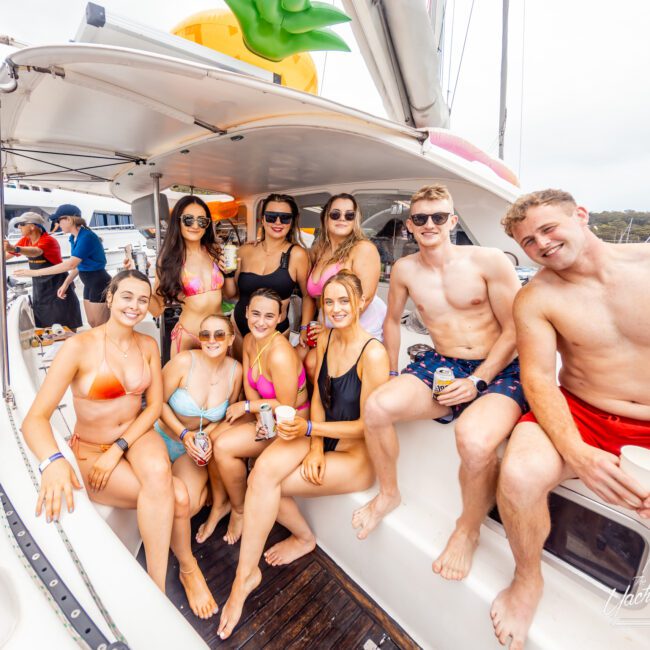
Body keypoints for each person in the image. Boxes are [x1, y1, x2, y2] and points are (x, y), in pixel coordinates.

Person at [490, 189, 650, 650]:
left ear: (580, 215)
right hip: (581, 410)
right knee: (518, 475)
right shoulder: (535, 297)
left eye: (548, 228)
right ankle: (526, 580)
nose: (540, 244)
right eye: (528, 241)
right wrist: (578, 453)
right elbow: (538, 378)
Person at [353, 184, 526, 582]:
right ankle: (390, 493)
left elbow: (516, 328)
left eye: (438, 216)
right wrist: (394, 372)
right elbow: (392, 321)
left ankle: (467, 530)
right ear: (410, 225)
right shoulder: (404, 269)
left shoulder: (490, 261)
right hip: (442, 364)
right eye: (420, 218)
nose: (429, 224)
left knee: (476, 441)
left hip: (498, 369)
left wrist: (479, 381)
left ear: (453, 219)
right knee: (377, 407)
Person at [217, 271, 389, 640]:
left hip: (354, 456)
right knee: (260, 475)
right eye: (329, 302)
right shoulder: (325, 340)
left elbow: (369, 426)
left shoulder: (373, 354)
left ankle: (267, 562)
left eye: (344, 301)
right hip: (319, 438)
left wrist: (312, 433)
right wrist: (312, 444)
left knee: (266, 483)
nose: (336, 309)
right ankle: (251, 572)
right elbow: (319, 400)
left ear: (361, 303)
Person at [21, 270, 175, 593]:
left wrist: (120, 446)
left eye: (143, 300)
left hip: (133, 437)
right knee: (180, 497)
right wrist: (53, 461)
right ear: (110, 297)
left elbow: (154, 406)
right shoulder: (79, 347)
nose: (134, 306)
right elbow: (34, 419)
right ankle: (182, 570)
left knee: (160, 473)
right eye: (127, 297)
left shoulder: (147, 344)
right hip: (92, 448)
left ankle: (157, 588)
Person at [156, 313, 242, 618]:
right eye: (205, 335)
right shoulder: (183, 363)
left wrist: (205, 441)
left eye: (220, 335)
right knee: (165, 500)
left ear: (231, 339)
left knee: (187, 507)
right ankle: (187, 567)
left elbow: (227, 417)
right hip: (164, 436)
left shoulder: (236, 371)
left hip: (192, 451)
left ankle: (205, 495)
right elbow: (157, 404)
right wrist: (184, 434)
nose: (212, 341)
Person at [211, 288, 310, 545]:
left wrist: (246, 409)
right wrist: (258, 419)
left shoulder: (280, 354)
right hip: (267, 417)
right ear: (246, 313)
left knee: (223, 446)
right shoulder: (251, 340)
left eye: (269, 316)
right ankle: (229, 504)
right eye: (255, 314)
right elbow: (251, 385)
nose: (260, 322)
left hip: (290, 424)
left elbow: (285, 404)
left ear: (280, 318)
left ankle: (240, 509)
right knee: (214, 437)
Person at [304, 193, 386, 374]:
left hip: (358, 329)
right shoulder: (318, 251)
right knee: (303, 363)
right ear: (325, 218)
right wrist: (308, 328)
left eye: (349, 215)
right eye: (335, 214)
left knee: (312, 365)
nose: (342, 219)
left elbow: (365, 299)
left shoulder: (363, 248)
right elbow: (312, 295)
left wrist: (330, 332)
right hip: (328, 324)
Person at [151, 195, 236, 357]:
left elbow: (228, 295)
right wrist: (141, 288)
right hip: (188, 337)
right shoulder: (168, 259)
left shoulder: (214, 251)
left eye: (202, 221)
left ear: (207, 225)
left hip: (218, 337)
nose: (196, 225)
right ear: (178, 222)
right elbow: (157, 309)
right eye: (188, 220)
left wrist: (230, 274)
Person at [232, 194, 314, 347]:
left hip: (276, 332)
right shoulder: (244, 250)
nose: (278, 222)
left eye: (285, 217)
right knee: (241, 371)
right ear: (262, 219)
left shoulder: (298, 255)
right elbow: (231, 293)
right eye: (271, 216)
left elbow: (308, 296)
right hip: (239, 329)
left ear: (292, 221)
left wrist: (304, 328)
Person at [15, 204, 111, 327]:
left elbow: (71, 264)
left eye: (59, 220)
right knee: (93, 323)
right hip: (89, 283)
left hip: (98, 282)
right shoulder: (74, 238)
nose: (57, 224)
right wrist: (65, 284)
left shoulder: (86, 237)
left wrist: (33, 273)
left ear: (69, 219)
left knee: (101, 325)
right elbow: (78, 265)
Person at [4, 212, 82, 330]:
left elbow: (36, 251)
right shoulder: (25, 240)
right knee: (45, 327)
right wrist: (9, 249)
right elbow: (7, 255)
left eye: (22, 224)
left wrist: (15, 248)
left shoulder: (49, 240)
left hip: (57, 284)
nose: (19, 227)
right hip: (40, 288)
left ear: (33, 226)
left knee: (65, 324)